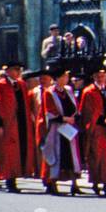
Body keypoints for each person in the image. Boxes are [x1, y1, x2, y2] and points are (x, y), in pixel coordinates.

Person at [0, 60, 36, 193]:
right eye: (15, 69)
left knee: (18, 152)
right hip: (7, 125)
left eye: (19, 70)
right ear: (7, 71)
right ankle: (8, 180)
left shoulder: (22, 85)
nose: (18, 72)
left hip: (21, 124)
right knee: (7, 153)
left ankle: (15, 176)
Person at [39, 66, 83, 196]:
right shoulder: (49, 92)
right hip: (56, 129)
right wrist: (64, 118)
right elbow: (49, 112)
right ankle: (52, 183)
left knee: (72, 156)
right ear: (57, 78)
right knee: (56, 155)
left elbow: (75, 106)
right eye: (64, 76)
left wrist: (74, 116)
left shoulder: (68, 90)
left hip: (69, 129)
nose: (66, 79)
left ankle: (74, 184)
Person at [79, 66, 106, 197]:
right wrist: (97, 122)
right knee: (97, 157)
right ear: (93, 77)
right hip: (97, 128)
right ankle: (96, 182)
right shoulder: (88, 92)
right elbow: (86, 112)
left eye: (103, 75)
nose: (101, 78)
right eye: (98, 76)